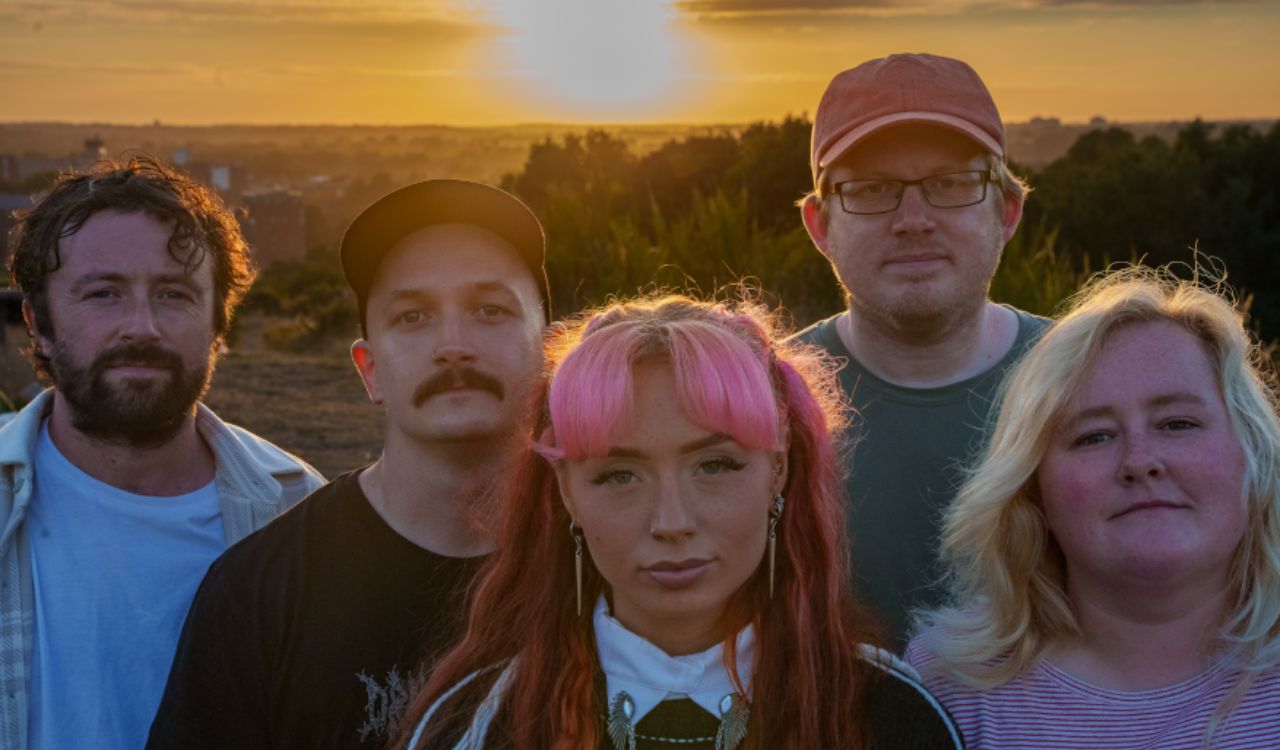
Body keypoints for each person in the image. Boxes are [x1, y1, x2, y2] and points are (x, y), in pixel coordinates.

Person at [402, 296, 964, 749]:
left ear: (778, 471)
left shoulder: (889, 713)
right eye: (619, 475)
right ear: (566, 492)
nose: (671, 522)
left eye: (714, 465)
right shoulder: (478, 723)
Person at [146, 180, 551, 749]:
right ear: (370, 370)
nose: (453, 344)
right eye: (413, 316)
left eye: (490, 310)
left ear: (549, 352)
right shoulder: (261, 592)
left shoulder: (614, 565)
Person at [0, 157, 325, 750]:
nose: (141, 327)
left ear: (216, 325)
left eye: (174, 294)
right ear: (38, 323)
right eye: (103, 294)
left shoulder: (299, 513)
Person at [906, 266, 1280, 748]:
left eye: (1177, 424)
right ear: (1032, 489)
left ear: (1252, 451)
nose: (1140, 461)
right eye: (1094, 436)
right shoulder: (946, 690)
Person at [796, 53, 1049, 645]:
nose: (914, 219)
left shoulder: (1090, 383)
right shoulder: (765, 399)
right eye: (873, 189)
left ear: (1006, 211)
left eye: (950, 185)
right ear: (820, 226)